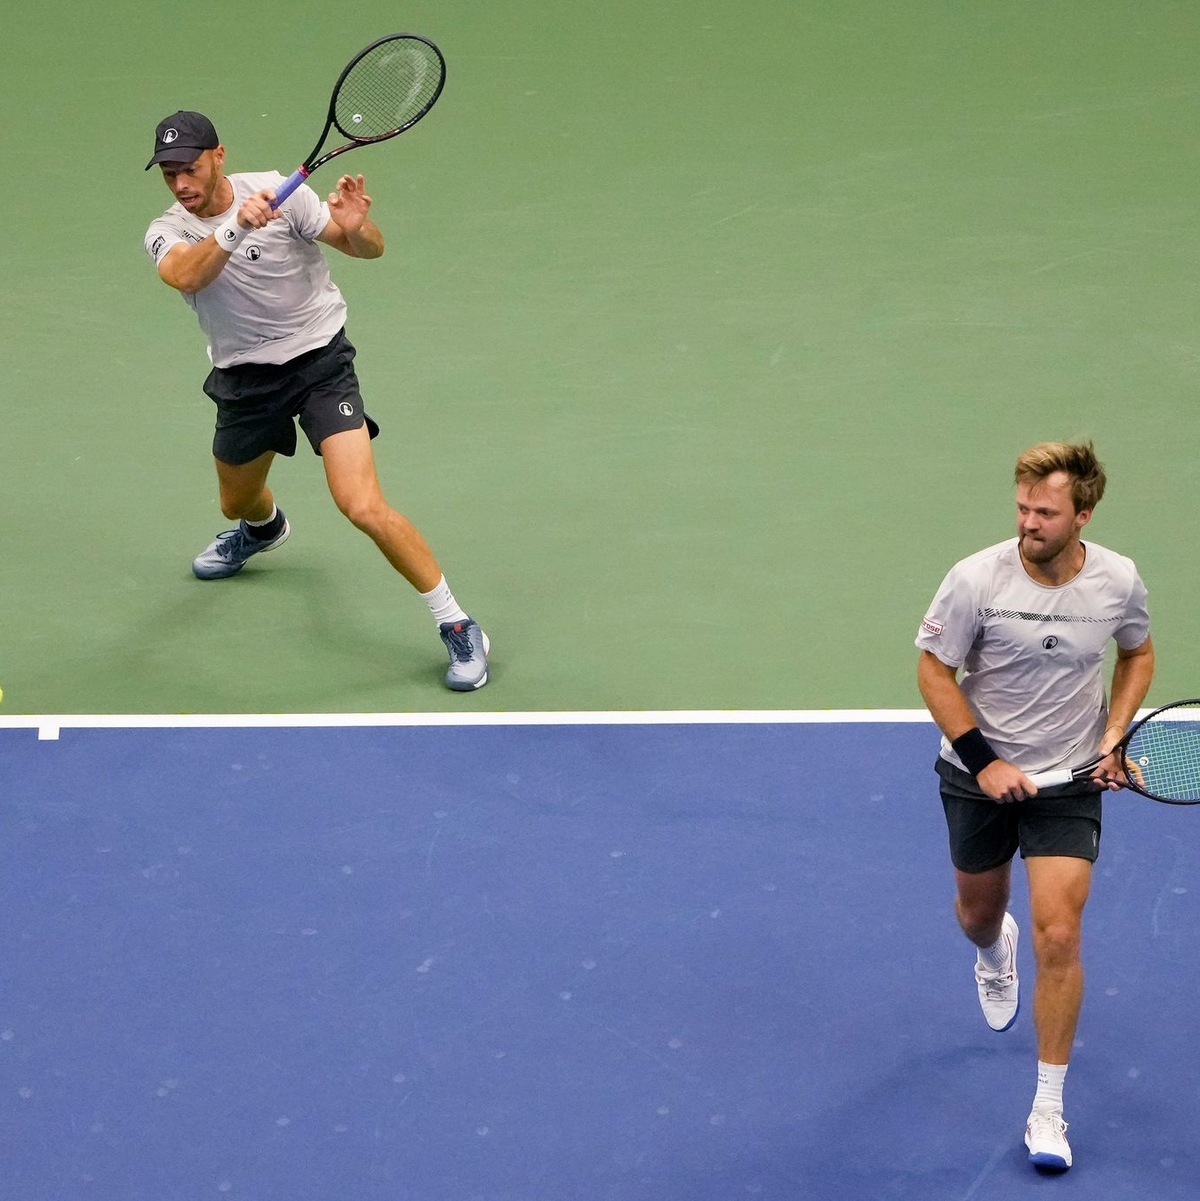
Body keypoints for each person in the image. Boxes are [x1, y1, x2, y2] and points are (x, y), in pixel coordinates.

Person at [142, 111, 489, 691]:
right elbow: (184, 276)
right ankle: (263, 529)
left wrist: (354, 229)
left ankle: (457, 624)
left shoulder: (284, 193)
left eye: (191, 169)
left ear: (219, 156)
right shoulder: (166, 228)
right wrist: (235, 229)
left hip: (319, 364)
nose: (181, 184)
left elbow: (369, 250)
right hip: (245, 381)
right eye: (170, 173)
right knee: (236, 502)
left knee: (361, 503)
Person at [915, 441, 1154, 1172]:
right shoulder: (974, 579)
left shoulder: (1118, 581)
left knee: (1060, 931)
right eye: (1022, 508)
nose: (1028, 523)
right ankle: (993, 950)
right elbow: (933, 669)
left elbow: (1137, 653)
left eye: (1044, 513)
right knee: (977, 914)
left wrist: (1111, 739)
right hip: (977, 773)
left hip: (1070, 778)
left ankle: (1047, 1105)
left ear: (1082, 515)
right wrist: (986, 765)